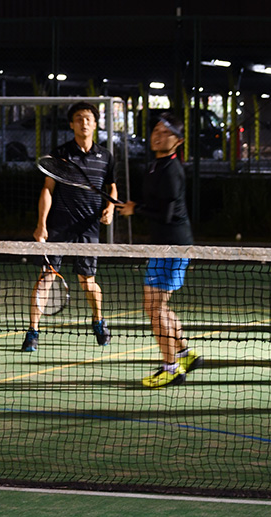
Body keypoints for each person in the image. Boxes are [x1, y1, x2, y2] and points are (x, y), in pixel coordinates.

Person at [21, 101, 119, 352]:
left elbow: (111, 187)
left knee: (87, 281)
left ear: (95, 124)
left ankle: (98, 321)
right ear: (72, 124)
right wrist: (41, 224)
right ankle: (32, 332)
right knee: (46, 277)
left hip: (88, 228)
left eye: (88, 118)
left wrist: (109, 208)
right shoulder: (61, 153)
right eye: (78, 118)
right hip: (59, 227)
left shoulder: (106, 156)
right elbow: (47, 189)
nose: (83, 122)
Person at [117, 112, 203, 388]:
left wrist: (136, 209)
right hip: (165, 246)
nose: (158, 135)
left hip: (173, 246)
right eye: (156, 129)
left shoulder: (171, 170)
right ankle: (185, 354)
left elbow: (166, 214)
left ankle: (172, 368)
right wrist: (136, 207)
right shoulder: (157, 166)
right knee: (159, 306)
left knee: (153, 308)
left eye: (166, 132)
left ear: (178, 141)